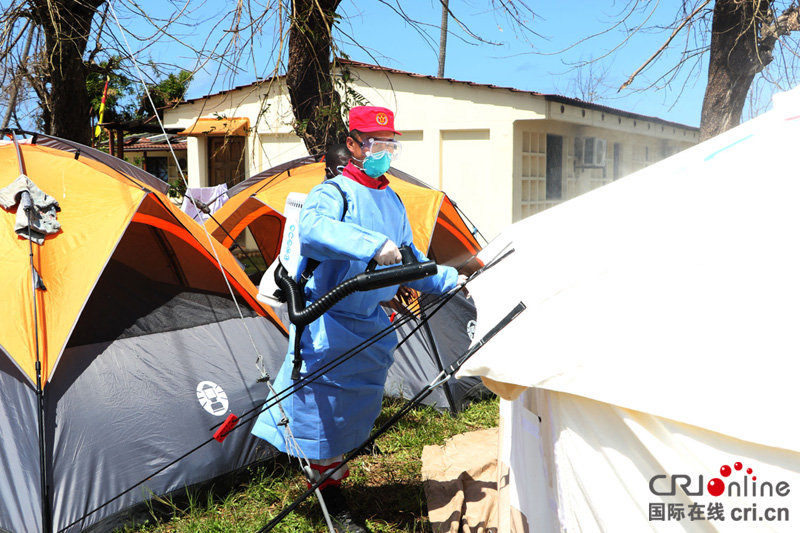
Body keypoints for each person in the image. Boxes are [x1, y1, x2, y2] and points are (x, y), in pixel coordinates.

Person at [252, 106, 465, 532]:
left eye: (389, 145)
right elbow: (313, 230)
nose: (382, 152)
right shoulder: (334, 193)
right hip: (329, 318)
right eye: (374, 143)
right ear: (353, 145)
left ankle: (335, 468)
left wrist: (450, 279)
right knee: (321, 412)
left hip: (369, 320)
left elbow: (409, 259)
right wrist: (370, 244)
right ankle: (329, 495)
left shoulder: (392, 198)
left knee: (358, 406)